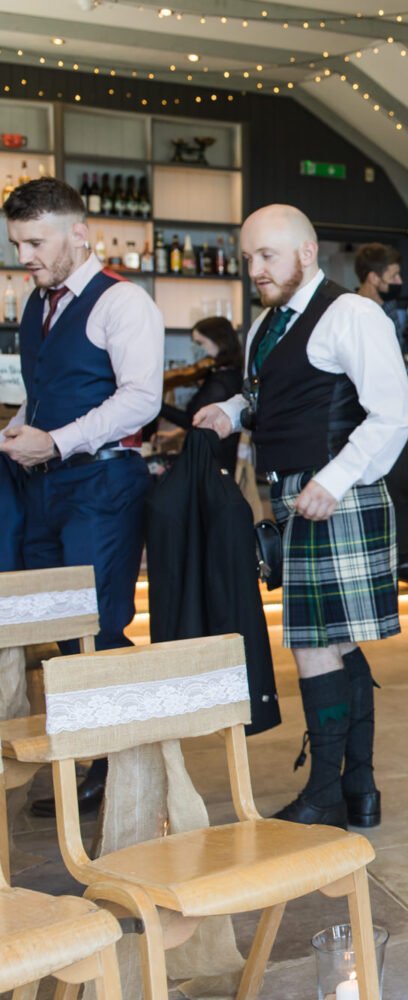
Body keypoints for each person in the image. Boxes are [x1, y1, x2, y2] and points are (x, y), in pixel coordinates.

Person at [195, 204, 408, 831]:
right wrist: (232, 412)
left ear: (307, 252)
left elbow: (392, 414)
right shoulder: (269, 320)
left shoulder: (352, 312)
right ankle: (359, 788)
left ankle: (324, 794)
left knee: (314, 647)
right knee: (337, 643)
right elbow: (271, 394)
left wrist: (335, 480)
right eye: (248, 259)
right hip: (296, 496)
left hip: (333, 496)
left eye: (267, 256)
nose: (254, 269)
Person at [2, 177, 163, 818]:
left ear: (79, 232)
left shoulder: (124, 304)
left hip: (101, 484)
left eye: (35, 242)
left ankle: (126, 756)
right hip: (41, 487)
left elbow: (140, 399)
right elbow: (44, 392)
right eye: (17, 244)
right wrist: (18, 426)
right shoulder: (35, 306)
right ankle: (89, 752)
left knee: (95, 629)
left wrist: (58, 441)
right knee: (54, 627)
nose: (25, 257)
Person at [354, 242, 408, 589]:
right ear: (373, 278)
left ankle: (401, 561)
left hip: (393, 417)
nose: (399, 280)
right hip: (364, 419)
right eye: (394, 275)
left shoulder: (389, 313)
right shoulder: (354, 313)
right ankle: (377, 567)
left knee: (403, 492)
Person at [158, 316, 244, 472]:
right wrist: (175, 434)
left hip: (214, 463)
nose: (197, 349)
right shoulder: (225, 373)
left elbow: (193, 419)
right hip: (215, 459)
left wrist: (156, 405)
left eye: (200, 343)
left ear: (218, 340)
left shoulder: (222, 381)